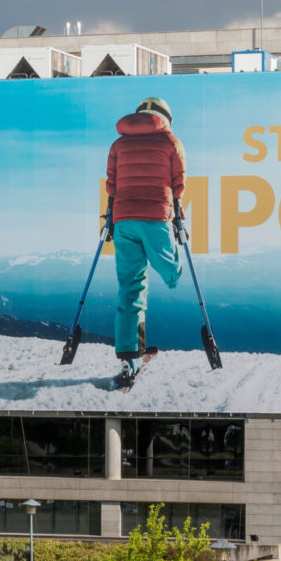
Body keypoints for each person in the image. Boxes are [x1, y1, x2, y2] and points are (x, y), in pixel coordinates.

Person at [102, 97, 184, 387]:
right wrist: (178, 216)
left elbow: (111, 184)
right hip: (155, 217)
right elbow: (178, 183)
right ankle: (174, 276)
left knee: (130, 287)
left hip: (124, 219)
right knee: (171, 272)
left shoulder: (118, 145)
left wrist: (111, 218)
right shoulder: (170, 142)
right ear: (165, 118)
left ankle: (130, 356)